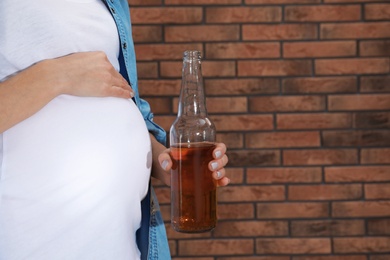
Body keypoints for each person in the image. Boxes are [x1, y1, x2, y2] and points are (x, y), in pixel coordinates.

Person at [0, 1, 230, 259]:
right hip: (31, 241)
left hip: (121, 244)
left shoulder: (111, 4)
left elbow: (126, 102)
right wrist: (56, 76)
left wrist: (169, 166)